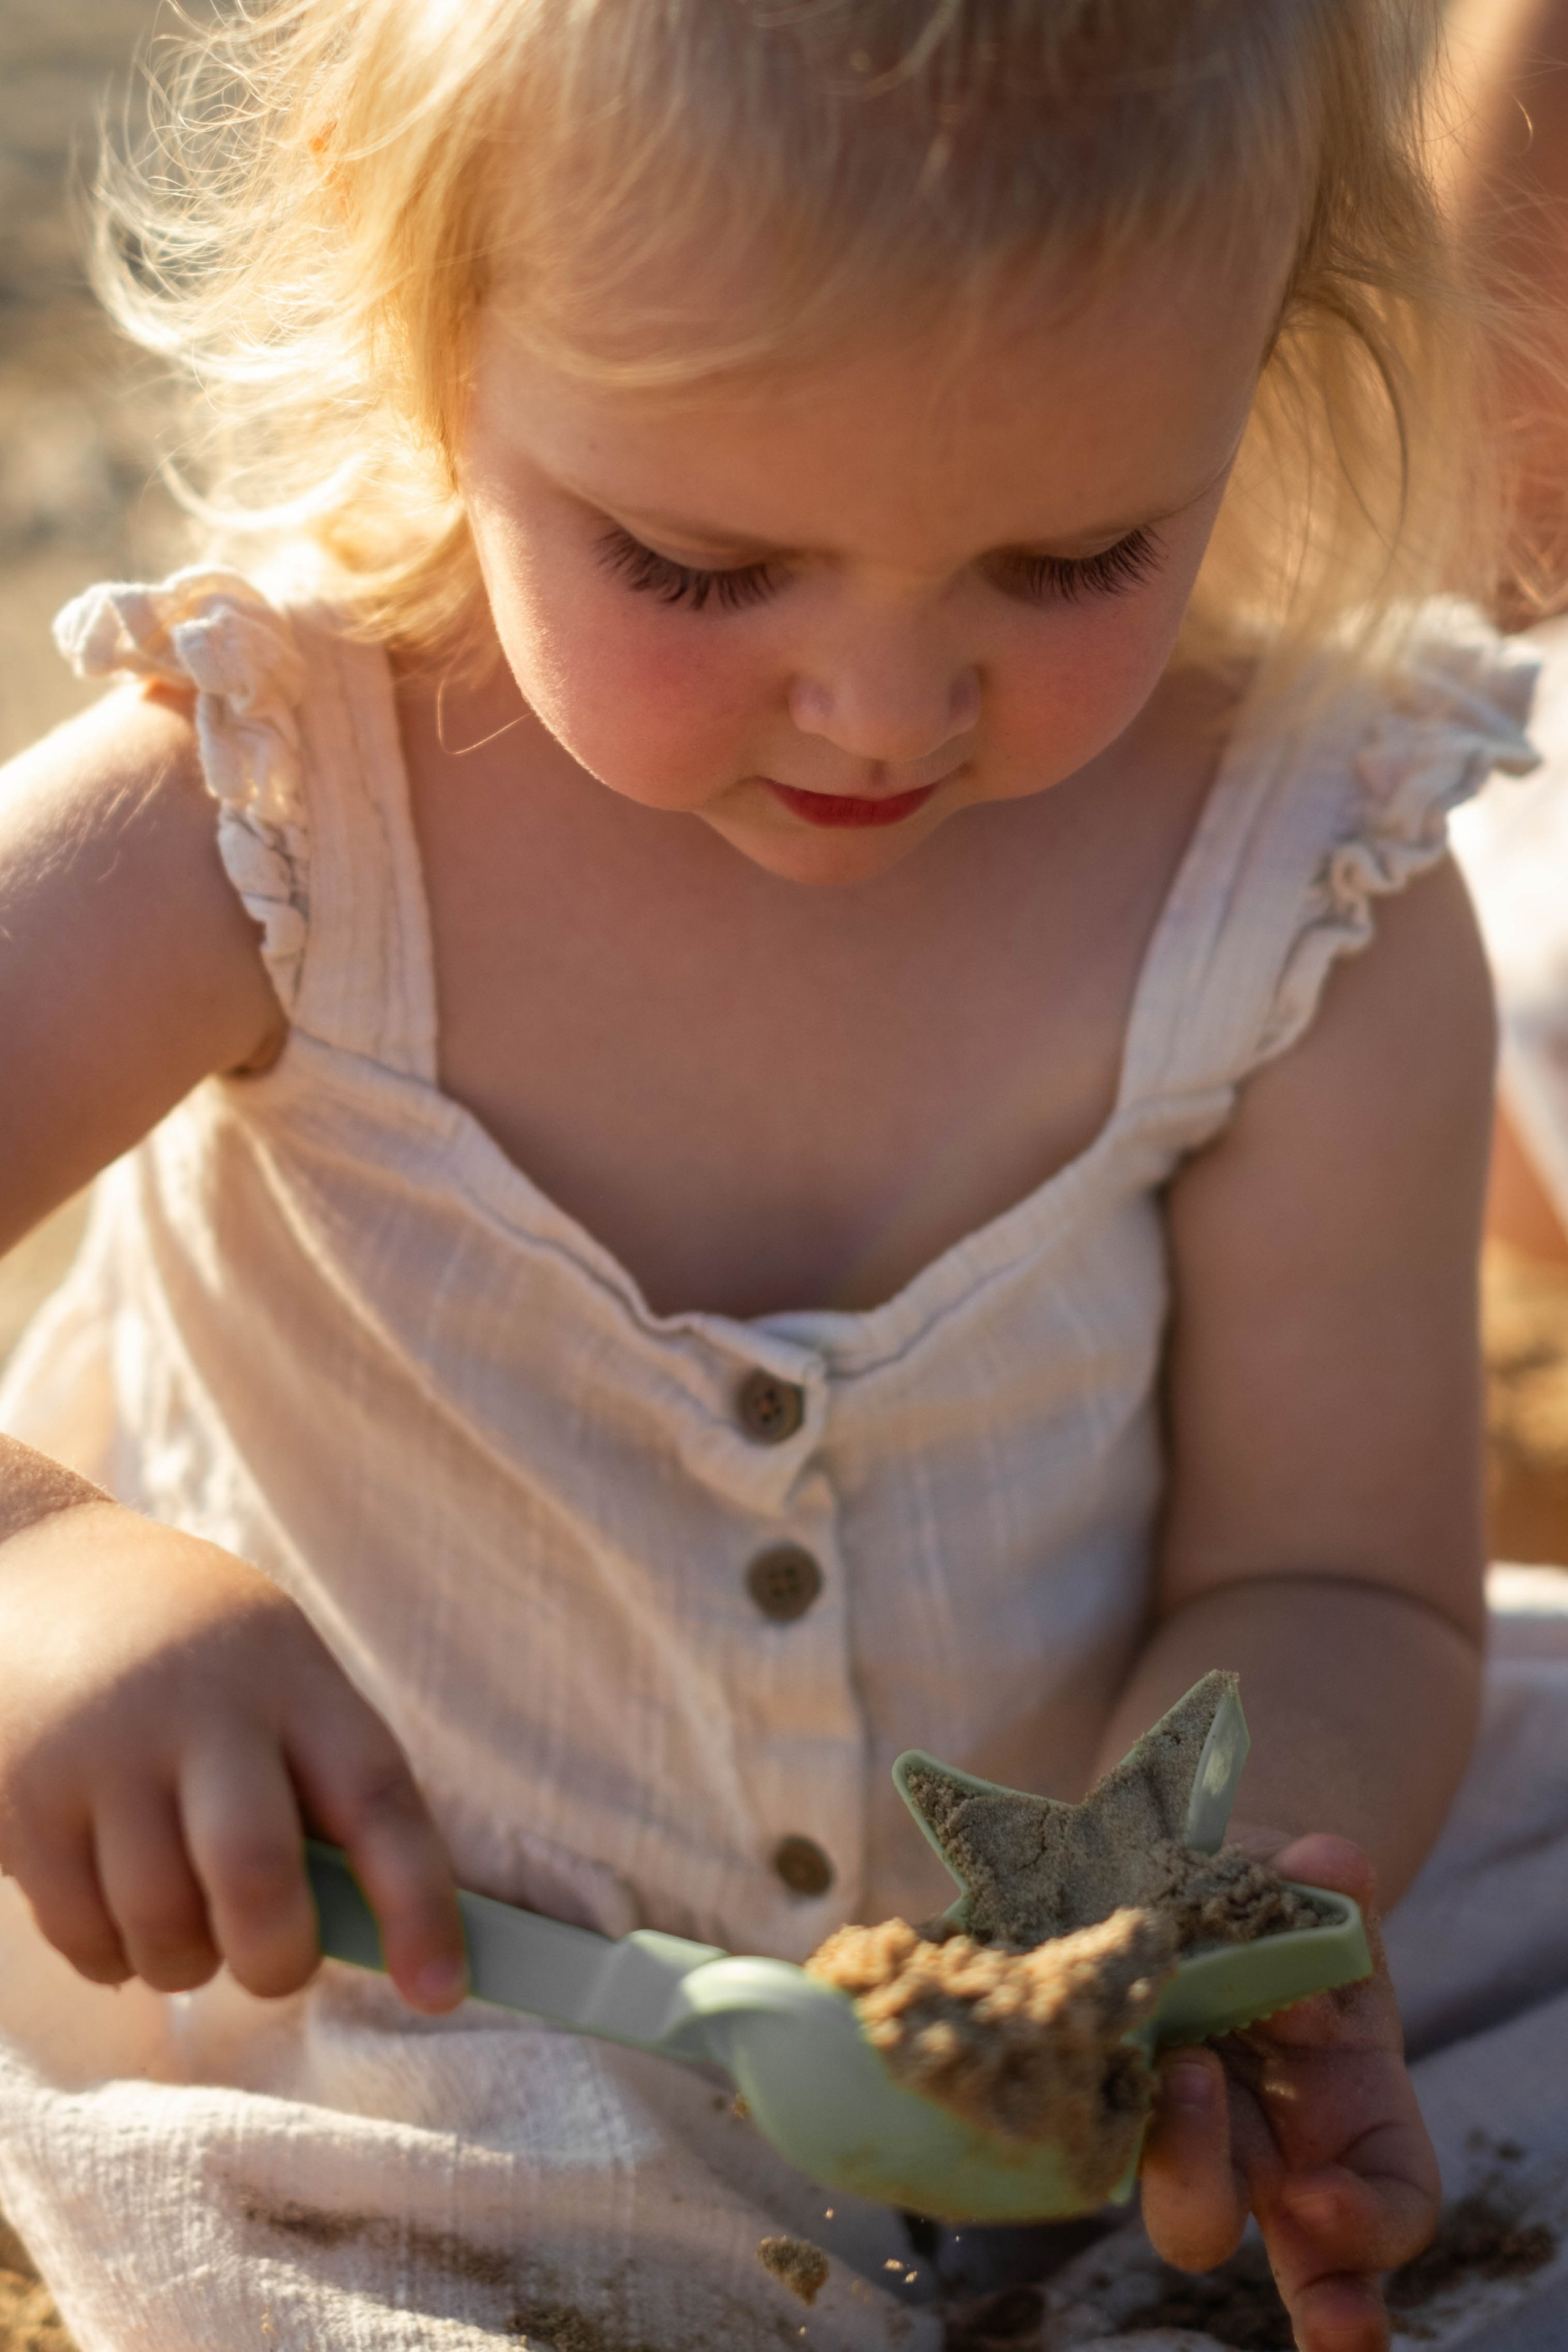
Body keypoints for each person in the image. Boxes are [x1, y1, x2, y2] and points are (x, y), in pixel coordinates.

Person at [0, 3, 1559, 2346]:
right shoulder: (277, 810)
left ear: (1278, 336)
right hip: (398, 2051)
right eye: (703, 567)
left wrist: (1218, 1924)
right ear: (423, 307)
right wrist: (46, 1575)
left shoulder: (1297, 892)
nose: (884, 707)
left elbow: (1342, 1581)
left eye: (1072, 557)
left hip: (1060, 2102)